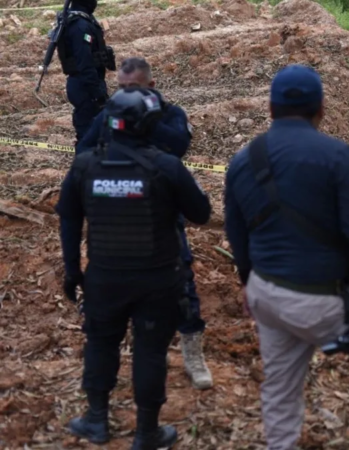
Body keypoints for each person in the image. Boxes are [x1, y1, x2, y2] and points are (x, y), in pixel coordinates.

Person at [223, 64, 349, 450]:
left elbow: (236, 232)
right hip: (320, 300)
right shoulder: (338, 156)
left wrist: (248, 284)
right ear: (322, 109)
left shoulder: (242, 160)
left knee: (281, 385)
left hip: (265, 293)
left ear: (270, 108)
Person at [55, 87, 212, 449]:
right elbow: (201, 214)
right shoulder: (166, 166)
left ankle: (96, 419)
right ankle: (146, 433)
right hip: (157, 279)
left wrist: (72, 271)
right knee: (151, 352)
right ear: (147, 125)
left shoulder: (84, 166)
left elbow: (68, 220)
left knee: (100, 343)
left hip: (104, 277)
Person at [75, 57, 214, 391]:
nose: (125, 96)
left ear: (151, 87)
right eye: (121, 89)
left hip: (160, 215)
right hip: (115, 215)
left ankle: (192, 353)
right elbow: (83, 151)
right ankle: (145, 350)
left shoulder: (169, 113)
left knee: (182, 280)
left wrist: (144, 123)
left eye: (133, 89)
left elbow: (178, 147)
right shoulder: (108, 114)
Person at [55, 0, 115, 143]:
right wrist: (97, 93)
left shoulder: (83, 19)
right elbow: (85, 63)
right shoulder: (80, 26)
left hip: (88, 83)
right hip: (85, 86)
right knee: (88, 131)